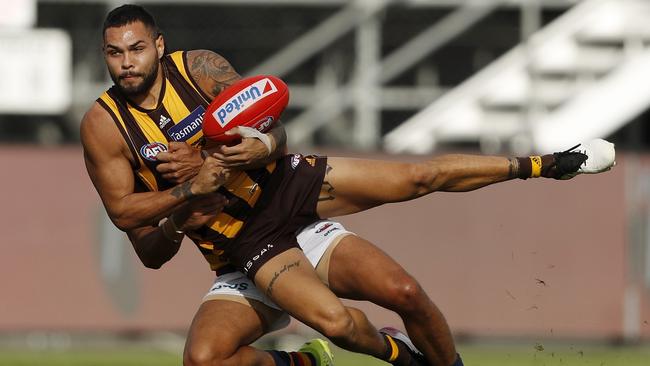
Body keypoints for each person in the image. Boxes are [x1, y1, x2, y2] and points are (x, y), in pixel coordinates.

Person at [81, 4, 617, 366]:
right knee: (329, 326)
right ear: (105, 55)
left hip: (287, 185)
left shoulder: (198, 68)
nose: (127, 64)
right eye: (115, 53)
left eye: (136, 50)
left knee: (415, 210)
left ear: (158, 45)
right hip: (248, 243)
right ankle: (385, 357)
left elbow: (273, 123)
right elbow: (127, 218)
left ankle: (549, 163)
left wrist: (259, 146)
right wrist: (190, 191)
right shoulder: (103, 126)